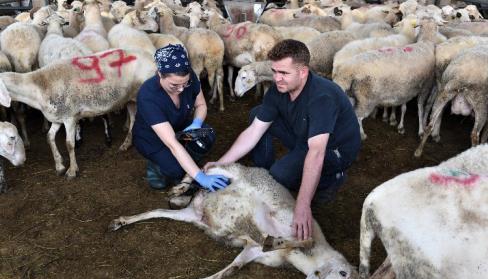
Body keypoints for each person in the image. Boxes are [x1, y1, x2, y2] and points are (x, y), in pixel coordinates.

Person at [205, 39, 361, 240]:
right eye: (275, 71)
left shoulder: (322, 97)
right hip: (304, 135)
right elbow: (254, 131)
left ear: (303, 72)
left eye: (284, 73)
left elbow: (316, 152)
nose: (277, 78)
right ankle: (264, 174)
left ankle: (330, 180)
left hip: (333, 149)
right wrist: (222, 164)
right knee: (257, 114)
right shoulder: (278, 90)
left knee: (281, 174)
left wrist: (302, 205)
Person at [133, 44, 228, 192]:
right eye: (174, 85)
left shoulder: (190, 77)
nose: (182, 89)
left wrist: (196, 123)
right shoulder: (148, 96)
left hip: (180, 130)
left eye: (185, 83)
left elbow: (201, 105)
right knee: (177, 171)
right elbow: (172, 143)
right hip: (153, 140)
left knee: (206, 135)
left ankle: (185, 159)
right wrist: (200, 177)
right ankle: (156, 165)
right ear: (160, 74)